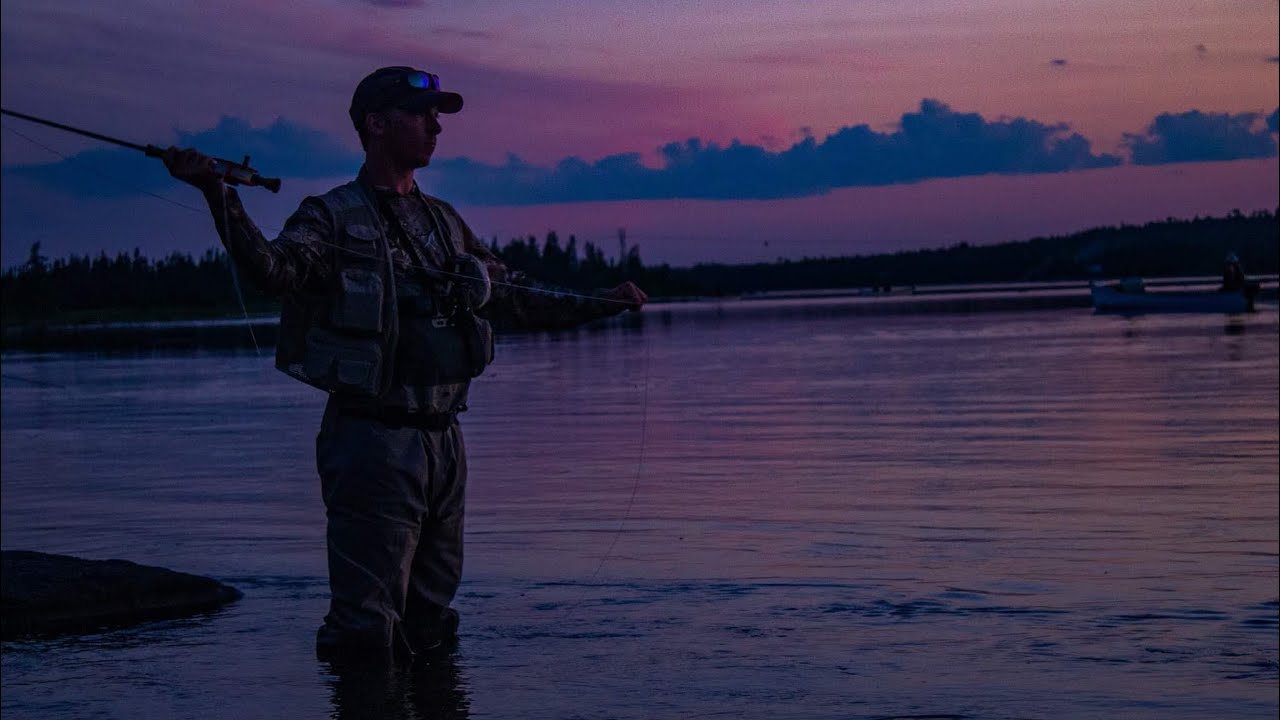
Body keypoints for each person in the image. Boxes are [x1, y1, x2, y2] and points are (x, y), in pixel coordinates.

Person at [163, 65, 647, 663]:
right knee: (365, 631)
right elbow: (273, 270)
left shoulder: (444, 221)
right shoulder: (331, 215)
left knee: (431, 623)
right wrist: (220, 195)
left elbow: (513, 295)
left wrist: (603, 303)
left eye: (437, 115)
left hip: (446, 445)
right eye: (422, 115)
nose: (435, 127)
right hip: (372, 441)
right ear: (376, 123)